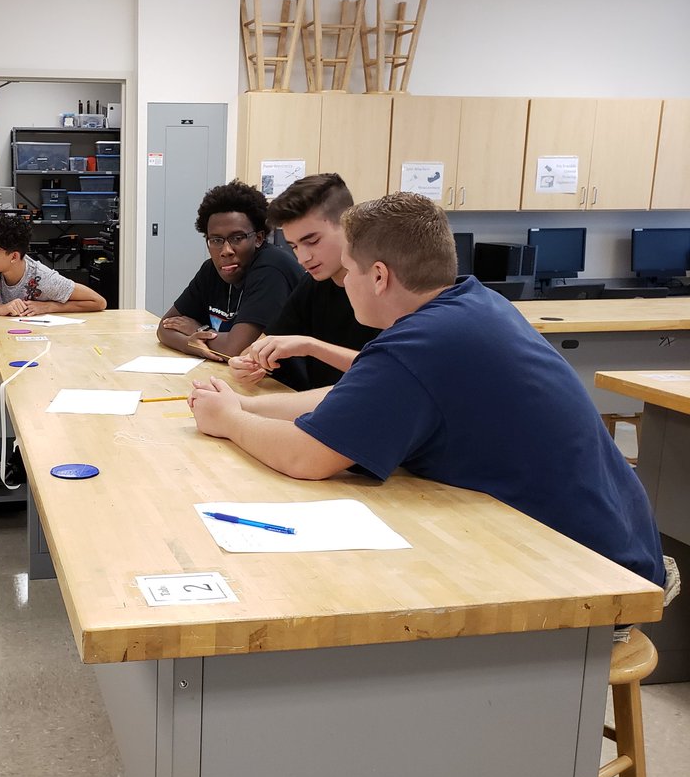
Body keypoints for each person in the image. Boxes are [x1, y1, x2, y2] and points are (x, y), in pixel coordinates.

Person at [188, 191, 666, 588]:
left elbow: (305, 458)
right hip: (612, 544)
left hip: (591, 577)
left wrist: (230, 420)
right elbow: (357, 397)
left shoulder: (421, 344)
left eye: (348, 272)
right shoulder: (472, 304)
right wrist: (244, 404)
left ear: (378, 276)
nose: (343, 283)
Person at [0, 214, 107, 490]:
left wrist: (50, 306)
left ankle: (40, 462)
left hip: (45, 356)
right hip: (9, 350)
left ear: (14, 256)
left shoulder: (41, 277)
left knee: (36, 412)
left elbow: (97, 301)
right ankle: (4, 459)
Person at [229, 174, 380, 391]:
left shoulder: (382, 286)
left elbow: (387, 369)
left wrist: (311, 346)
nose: (303, 258)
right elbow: (261, 345)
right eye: (294, 246)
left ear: (349, 225)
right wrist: (246, 363)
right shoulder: (313, 284)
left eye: (313, 241)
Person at [157, 180, 302, 363]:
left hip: (287, 386)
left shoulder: (271, 268)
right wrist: (191, 344)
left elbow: (236, 349)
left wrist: (199, 331)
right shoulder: (211, 269)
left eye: (237, 238)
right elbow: (164, 327)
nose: (226, 250)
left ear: (258, 238)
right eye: (216, 240)